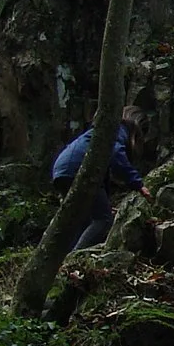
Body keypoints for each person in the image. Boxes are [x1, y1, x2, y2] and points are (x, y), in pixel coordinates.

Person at [52, 108, 152, 252]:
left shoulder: (102, 130)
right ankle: (75, 257)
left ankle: (67, 256)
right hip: (78, 170)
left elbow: (102, 176)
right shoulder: (118, 129)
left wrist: (104, 202)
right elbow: (116, 153)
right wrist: (138, 184)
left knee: (83, 220)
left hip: (62, 170)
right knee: (103, 220)